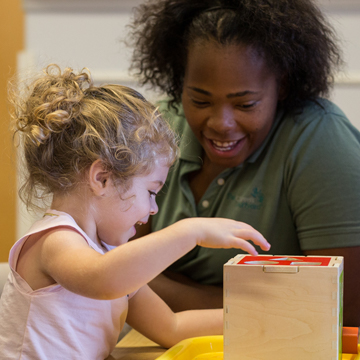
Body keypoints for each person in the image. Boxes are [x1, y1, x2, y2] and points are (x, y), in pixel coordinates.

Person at [0, 65, 271, 359]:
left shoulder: (109, 259)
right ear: (101, 178)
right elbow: (102, 279)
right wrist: (190, 231)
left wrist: (259, 317)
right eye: (151, 191)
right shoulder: (55, 242)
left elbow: (172, 326)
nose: (153, 209)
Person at [128, 0, 360, 327]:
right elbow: (115, 267)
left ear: (283, 84)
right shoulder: (159, 127)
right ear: (179, 81)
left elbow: (341, 310)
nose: (222, 123)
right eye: (200, 100)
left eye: (245, 104)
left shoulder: (319, 139)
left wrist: (160, 289)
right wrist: (261, 304)